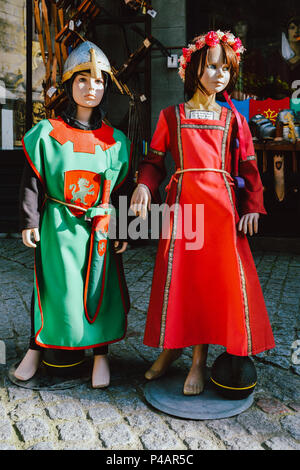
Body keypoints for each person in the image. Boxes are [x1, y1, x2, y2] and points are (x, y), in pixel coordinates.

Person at [130, 30, 275, 396]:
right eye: (211, 66)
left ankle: (197, 361)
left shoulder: (233, 120)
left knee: (211, 284)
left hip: (221, 213)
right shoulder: (171, 116)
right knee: (181, 280)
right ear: (193, 68)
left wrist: (253, 207)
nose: (219, 74)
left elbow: (248, 168)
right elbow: (154, 161)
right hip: (183, 211)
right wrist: (145, 185)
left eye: (226, 68)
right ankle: (170, 348)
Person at [15, 41, 133, 388]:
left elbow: (122, 190)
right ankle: (36, 349)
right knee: (55, 289)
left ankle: (100, 356)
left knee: (100, 292)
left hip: (100, 229)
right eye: (82, 80)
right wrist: (29, 221)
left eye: (98, 82)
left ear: (105, 87)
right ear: (69, 85)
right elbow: (32, 181)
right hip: (58, 226)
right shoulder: (46, 134)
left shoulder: (116, 140)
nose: (91, 88)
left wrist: (123, 228)